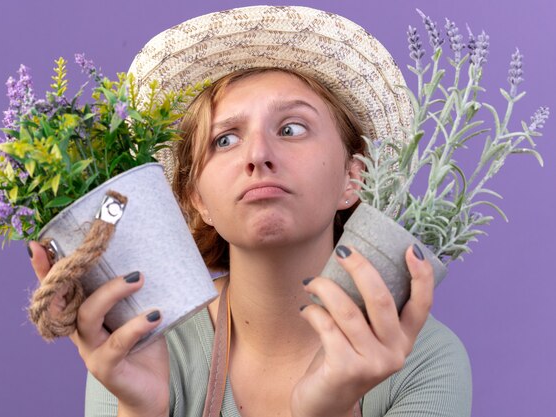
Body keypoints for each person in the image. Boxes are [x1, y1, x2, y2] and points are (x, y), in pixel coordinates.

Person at [28, 6, 471, 417]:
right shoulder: (138, 347)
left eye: (292, 128)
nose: (258, 154)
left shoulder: (423, 358)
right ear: (195, 198)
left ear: (354, 178)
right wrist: (142, 409)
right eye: (225, 139)